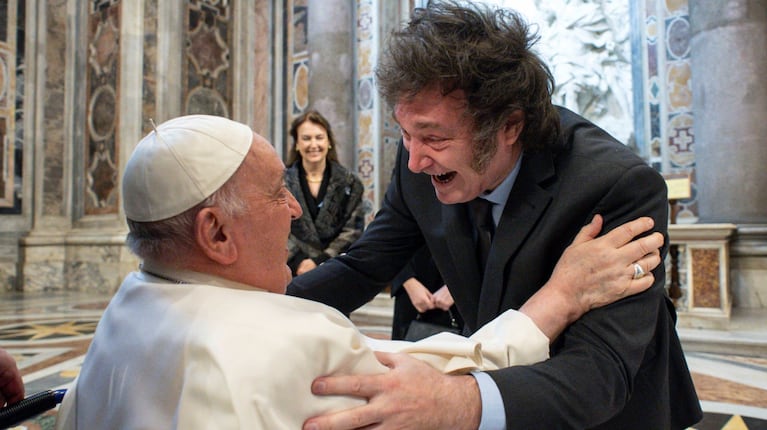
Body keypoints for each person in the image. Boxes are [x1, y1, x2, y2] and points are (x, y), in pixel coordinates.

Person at [55, 115, 663, 429]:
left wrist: (286, 302)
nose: (294, 208)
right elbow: (448, 376)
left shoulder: (126, 307)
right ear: (216, 233)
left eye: (431, 135)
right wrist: (558, 296)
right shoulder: (286, 340)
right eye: (276, 193)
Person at [286, 1, 702, 429]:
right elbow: (363, 266)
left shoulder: (615, 187)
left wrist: (457, 402)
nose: (414, 161)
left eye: (433, 138)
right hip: (501, 393)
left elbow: (600, 371)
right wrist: (265, 310)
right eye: (406, 134)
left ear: (509, 127)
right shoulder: (418, 157)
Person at [286, 110, 365, 276]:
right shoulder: (280, 183)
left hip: (335, 271)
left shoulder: (350, 183)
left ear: (328, 141)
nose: (313, 144)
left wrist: (319, 261)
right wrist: (299, 261)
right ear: (297, 144)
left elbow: (353, 231)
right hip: (291, 271)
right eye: (306, 138)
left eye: (319, 137)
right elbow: (274, 226)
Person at [390, 245, 463, 340]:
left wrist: (458, 284)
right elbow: (386, 240)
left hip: (465, 287)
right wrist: (407, 280)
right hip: (412, 284)